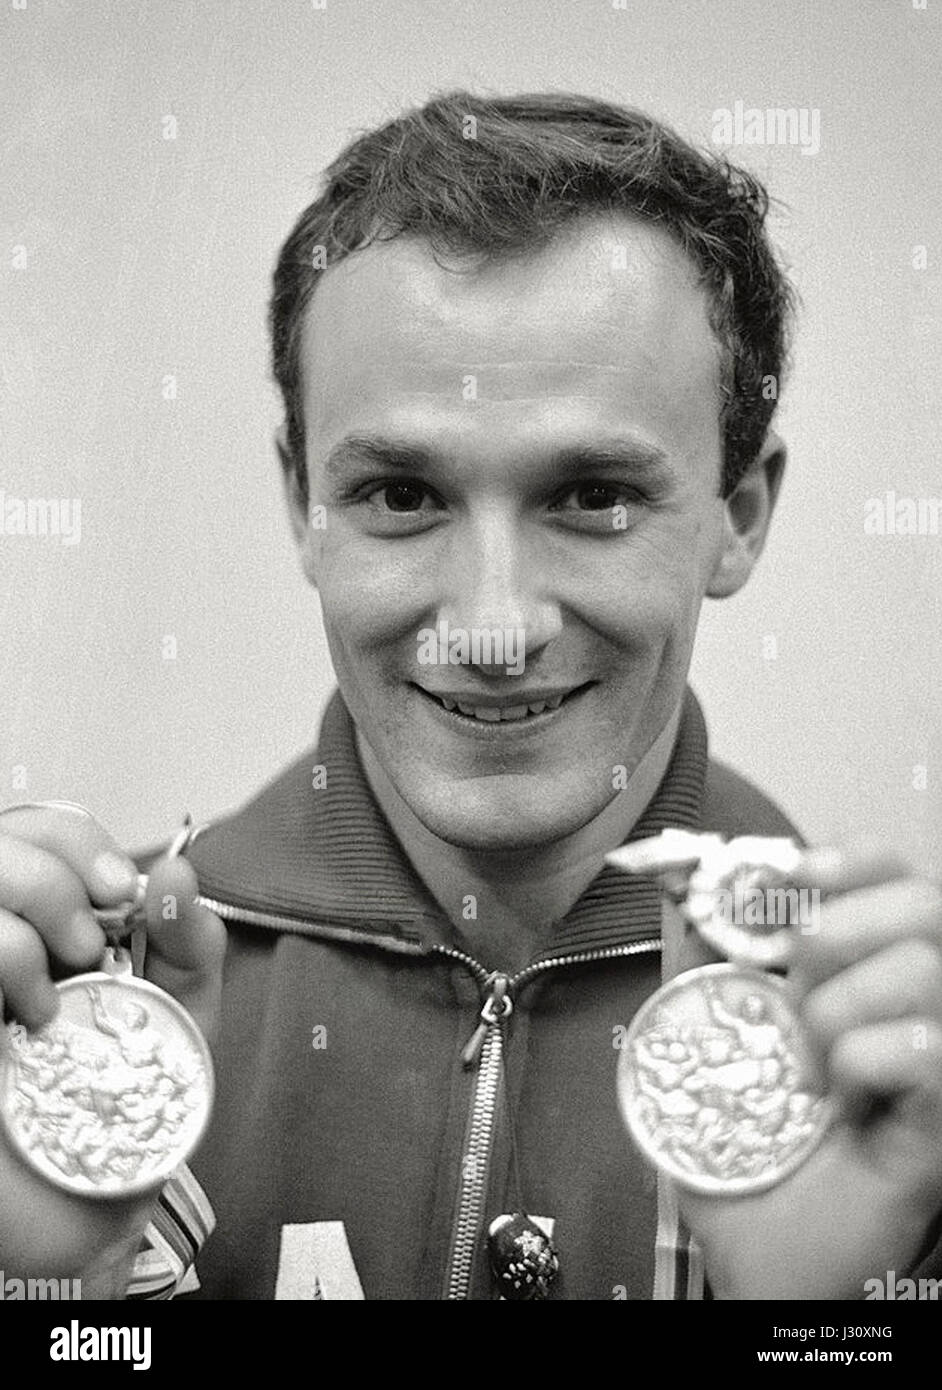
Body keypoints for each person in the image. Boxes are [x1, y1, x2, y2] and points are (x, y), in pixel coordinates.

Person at [1, 91, 940, 1301]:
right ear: (303, 507)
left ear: (740, 514)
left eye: (593, 495)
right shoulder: (71, 1028)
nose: (493, 624)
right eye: (402, 494)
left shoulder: (895, 1087)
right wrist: (50, 1293)